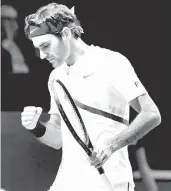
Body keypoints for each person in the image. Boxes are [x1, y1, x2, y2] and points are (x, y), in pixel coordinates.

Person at [21, 3, 161, 191]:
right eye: (38, 48)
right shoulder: (55, 77)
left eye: (45, 46)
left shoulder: (111, 62)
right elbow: (57, 140)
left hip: (109, 182)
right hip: (67, 181)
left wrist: (112, 144)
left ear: (65, 35)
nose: (41, 55)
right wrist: (36, 127)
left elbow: (151, 114)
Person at [1, 5, 29, 74]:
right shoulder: (5, 48)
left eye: (14, 21)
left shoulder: (12, 45)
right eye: (10, 21)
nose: (16, 26)